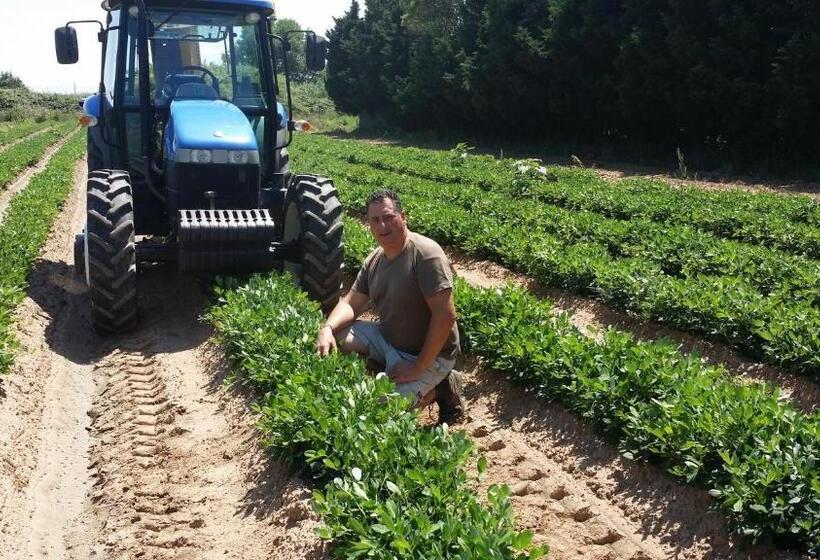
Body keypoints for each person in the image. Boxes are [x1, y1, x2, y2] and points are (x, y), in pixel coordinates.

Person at [314, 189, 465, 423]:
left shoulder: (425, 254)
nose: (382, 225)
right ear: (369, 225)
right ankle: (386, 368)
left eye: (389, 217)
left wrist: (418, 366)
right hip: (389, 341)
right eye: (375, 220)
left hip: (429, 355)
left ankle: (442, 388)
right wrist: (327, 329)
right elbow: (352, 303)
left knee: (382, 414)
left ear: (403, 217)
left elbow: (445, 317)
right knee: (339, 337)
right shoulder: (375, 259)